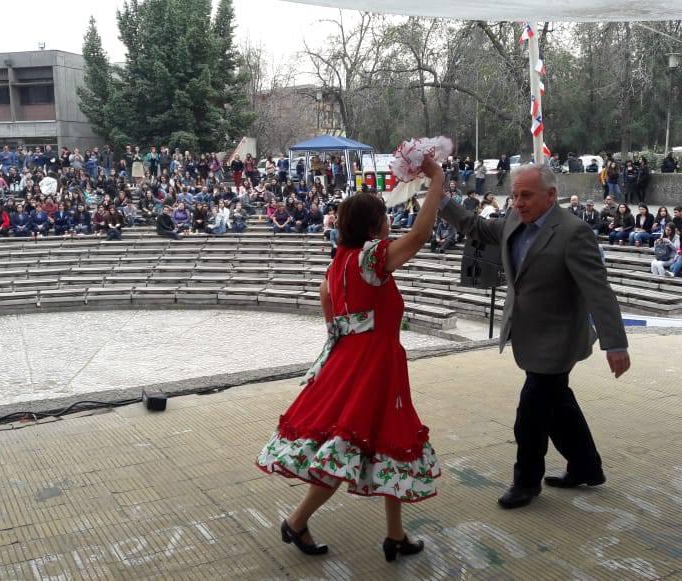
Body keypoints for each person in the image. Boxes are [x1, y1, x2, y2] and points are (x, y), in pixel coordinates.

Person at [256, 157, 447, 562]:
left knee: (381, 441)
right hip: (374, 367)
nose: (388, 225)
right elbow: (420, 235)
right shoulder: (371, 258)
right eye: (383, 218)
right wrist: (438, 180)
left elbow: (333, 324)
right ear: (373, 226)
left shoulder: (335, 266)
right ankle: (296, 521)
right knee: (347, 448)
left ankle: (395, 535)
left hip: (350, 362)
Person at [439, 163, 629, 510]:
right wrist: (440, 197)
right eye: (514, 195)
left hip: (558, 342)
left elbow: (599, 291)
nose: (518, 202)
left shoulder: (574, 232)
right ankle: (587, 466)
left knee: (530, 414)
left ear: (551, 196)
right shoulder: (513, 220)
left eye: (526, 195)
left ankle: (526, 483)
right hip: (528, 334)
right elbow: (475, 226)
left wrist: (615, 343)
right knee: (558, 406)